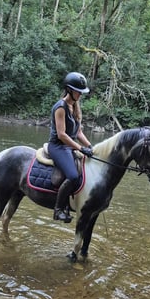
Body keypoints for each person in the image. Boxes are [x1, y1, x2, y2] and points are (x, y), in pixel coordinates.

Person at [49, 72, 94, 223]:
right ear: (69, 90)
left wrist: (89, 146)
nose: (80, 94)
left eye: (81, 92)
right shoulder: (60, 107)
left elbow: (78, 132)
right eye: (78, 91)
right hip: (57, 147)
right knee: (73, 176)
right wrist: (80, 149)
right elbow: (61, 135)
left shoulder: (75, 106)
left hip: (69, 147)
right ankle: (58, 210)